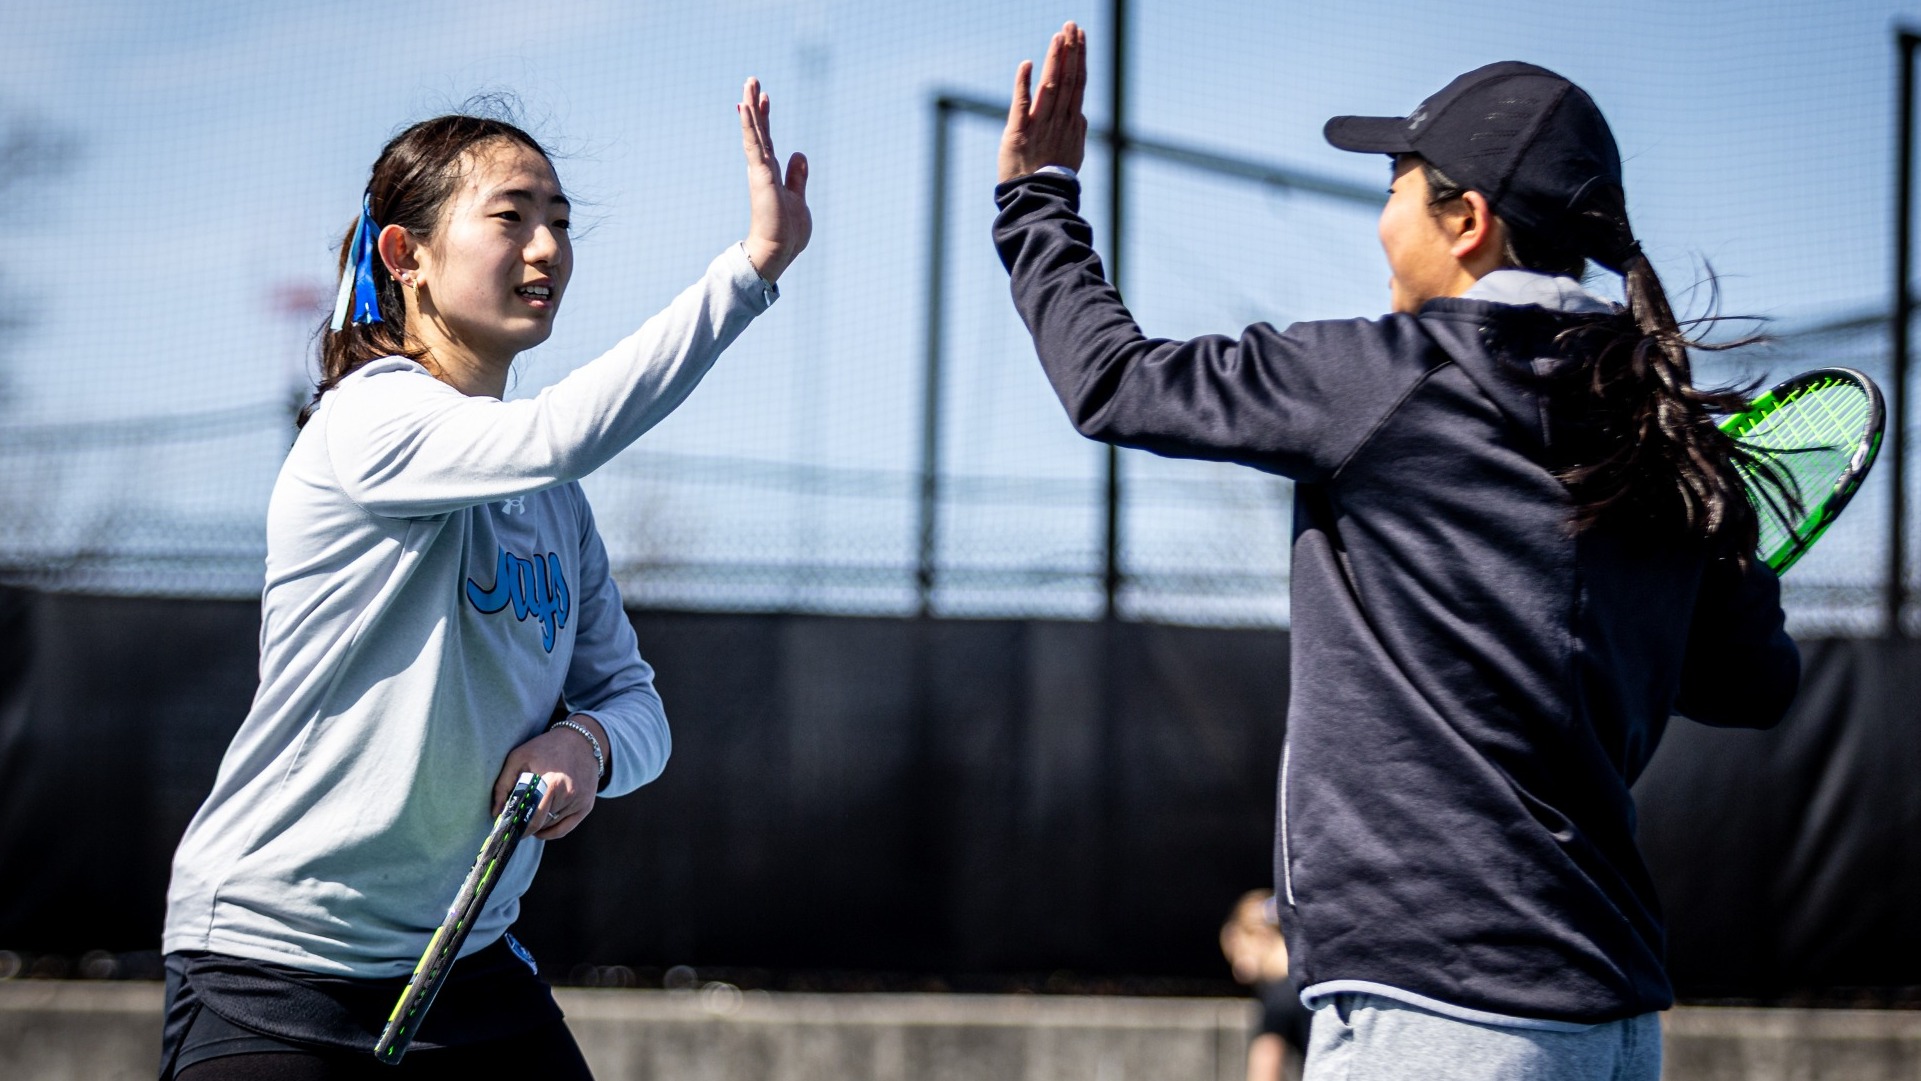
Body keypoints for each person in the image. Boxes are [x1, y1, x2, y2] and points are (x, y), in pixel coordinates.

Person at [995, 24, 1798, 1081]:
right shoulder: (1663, 429)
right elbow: (1752, 682)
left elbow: (1112, 382)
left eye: (1394, 190)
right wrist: (1718, 543)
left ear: (1464, 222)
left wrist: (1037, 197)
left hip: (1435, 1016)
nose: (1379, 222)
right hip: (1614, 1024)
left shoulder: (1381, 376)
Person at [158, 80, 809, 1080]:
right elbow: (555, 431)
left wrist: (585, 741)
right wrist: (749, 269)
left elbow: (637, 707)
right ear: (404, 256)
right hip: (275, 973)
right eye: (512, 217)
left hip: (467, 972)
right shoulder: (367, 422)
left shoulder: (554, 503)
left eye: (559, 221)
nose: (548, 248)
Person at [1220, 890, 1309, 1081]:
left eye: (1239, 950)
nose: (1237, 971)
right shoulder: (1314, 986)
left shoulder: (1278, 1000)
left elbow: (1264, 1072)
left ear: (1262, 936)